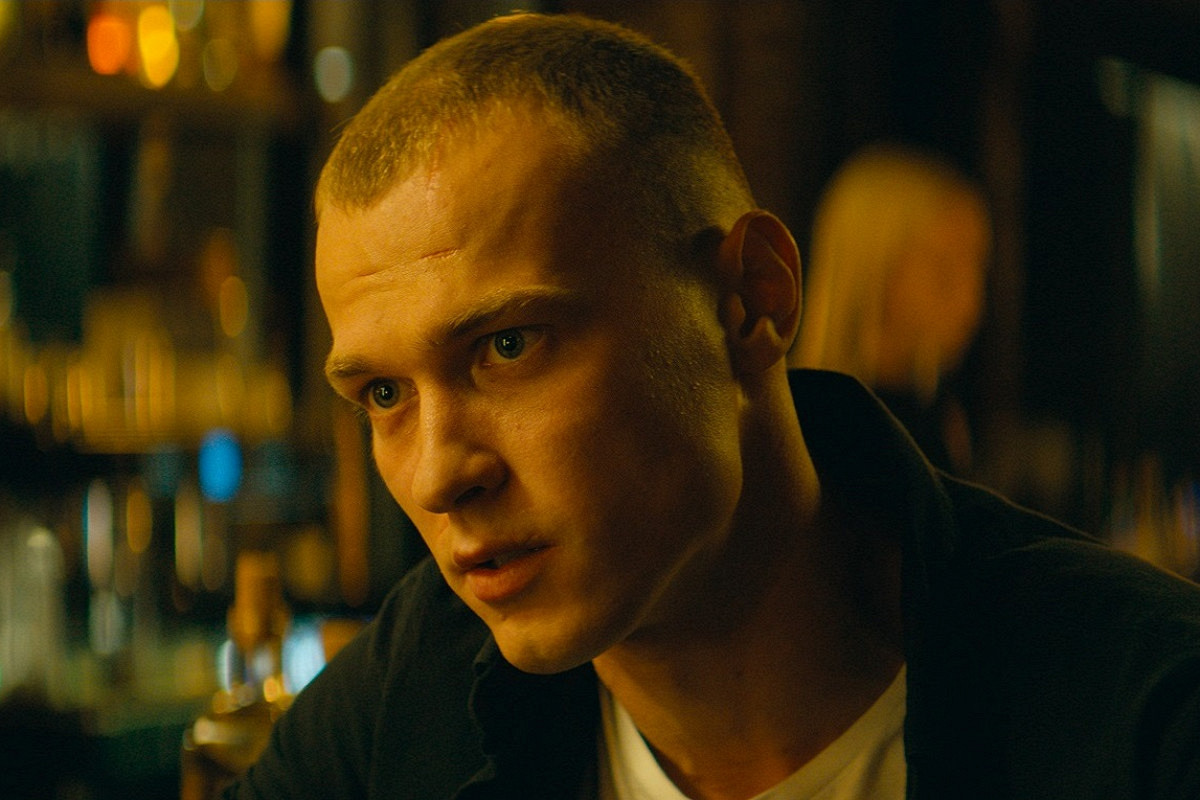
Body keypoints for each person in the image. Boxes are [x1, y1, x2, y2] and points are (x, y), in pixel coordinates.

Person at [229, 12, 1200, 800]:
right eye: (384, 393)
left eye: (509, 345)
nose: (440, 473)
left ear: (750, 301)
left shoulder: (1139, 713)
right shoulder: (418, 685)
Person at [790, 145, 991, 475]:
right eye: (945, 271)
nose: (971, 301)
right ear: (872, 269)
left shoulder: (941, 420)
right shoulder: (808, 426)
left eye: (978, 270)